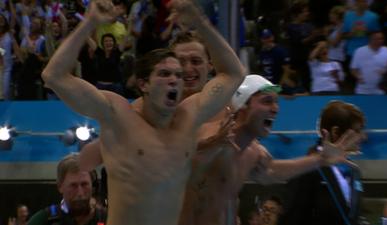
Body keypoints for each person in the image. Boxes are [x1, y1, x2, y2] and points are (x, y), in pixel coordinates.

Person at [42, 1, 245, 225]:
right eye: (165, 74)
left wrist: (200, 22)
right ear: (143, 84)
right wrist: (89, 23)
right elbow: (53, 76)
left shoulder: (190, 115)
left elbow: (234, 73)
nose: (175, 80)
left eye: (177, 75)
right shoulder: (118, 116)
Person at [178, 75, 364, 225]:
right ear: (242, 105)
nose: (275, 109)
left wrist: (320, 160)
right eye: (267, 101)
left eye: (276, 102)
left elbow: (271, 172)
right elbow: (177, 169)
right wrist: (211, 145)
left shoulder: (253, 152)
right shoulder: (210, 134)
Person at [281, 100, 367, 225]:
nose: (363, 137)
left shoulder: (354, 170)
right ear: (335, 132)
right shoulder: (305, 169)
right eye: (357, 130)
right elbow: (291, 219)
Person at [27, 153, 106, 225]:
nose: (80, 193)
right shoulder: (44, 220)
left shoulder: (108, 218)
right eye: (73, 186)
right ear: (60, 187)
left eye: (84, 184)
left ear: (92, 186)